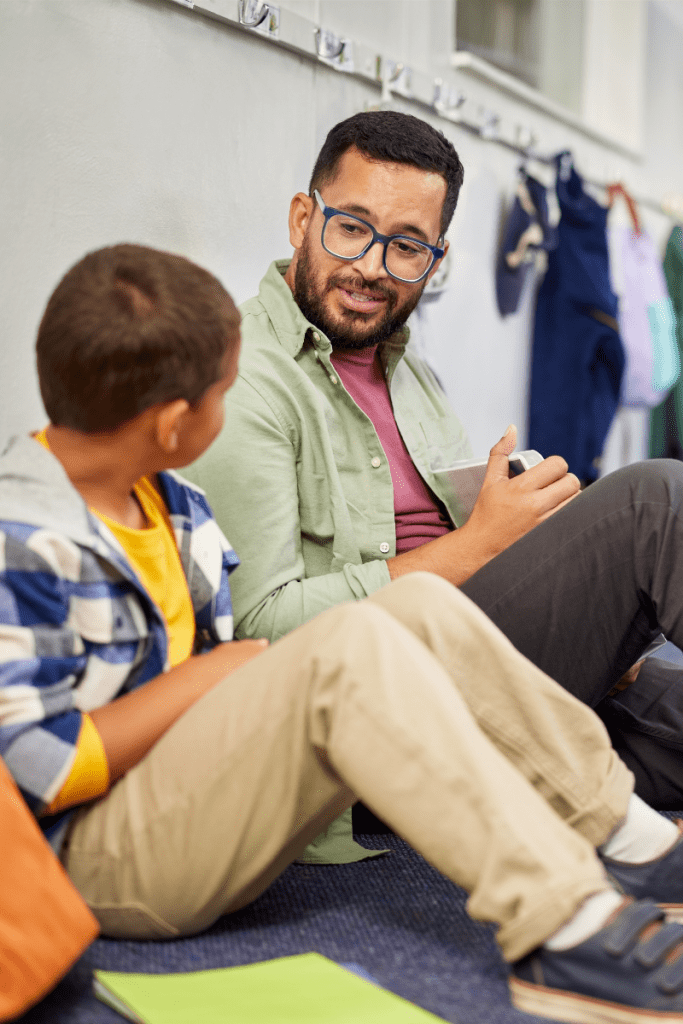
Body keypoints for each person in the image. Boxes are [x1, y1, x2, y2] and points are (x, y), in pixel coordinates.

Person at [4, 244, 683, 1022]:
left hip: (186, 797)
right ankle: (564, 925)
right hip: (89, 864)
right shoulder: (23, 539)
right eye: (225, 394)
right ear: (171, 424)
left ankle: (637, 846)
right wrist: (204, 682)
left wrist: (223, 682)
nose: (230, 410)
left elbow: (222, 684)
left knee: (418, 607)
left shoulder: (175, 507)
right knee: (345, 646)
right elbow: (36, 768)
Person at [183, 109, 683, 819]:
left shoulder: (405, 365)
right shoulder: (240, 380)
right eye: (350, 227)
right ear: (301, 218)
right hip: (379, 697)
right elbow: (259, 629)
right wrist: (481, 543)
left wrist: (578, 583)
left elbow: (455, 535)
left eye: (407, 246)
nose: (370, 267)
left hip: (473, 662)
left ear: (435, 260)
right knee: (655, 502)